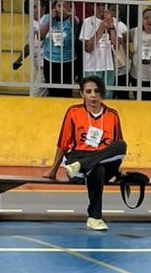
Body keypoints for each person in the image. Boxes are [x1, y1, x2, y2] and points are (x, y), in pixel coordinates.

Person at [44, 75, 127, 232]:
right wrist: (53, 169)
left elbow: (116, 149)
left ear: (102, 93)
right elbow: (63, 142)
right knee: (97, 170)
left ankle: (82, 166)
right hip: (78, 157)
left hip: (98, 161)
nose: (93, 95)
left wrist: (118, 171)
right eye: (88, 91)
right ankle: (95, 218)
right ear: (82, 94)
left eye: (96, 91)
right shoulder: (73, 112)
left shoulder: (112, 115)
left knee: (121, 146)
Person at [79, 0, 128, 93]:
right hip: (92, 67)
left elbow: (116, 46)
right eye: (98, 5)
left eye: (104, 5)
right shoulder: (87, 22)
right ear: (93, 7)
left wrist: (112, 28)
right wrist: (102, 27)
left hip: (109, 67)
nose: (101, 7)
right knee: (91, 97)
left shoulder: (114, 21)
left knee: (108, 98)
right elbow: (88, 48)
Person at [36, 0, 79, 97]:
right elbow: (40, 36)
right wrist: (51, 19)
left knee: (66, 92)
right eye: (59, 6)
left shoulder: (73, 19)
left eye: (65, 6)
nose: (61, 9)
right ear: (54, 7)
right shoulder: (48, 18)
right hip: (50, 61)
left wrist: (70, 14)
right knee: (53, 91)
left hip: (68, 61)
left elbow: (75, 24)